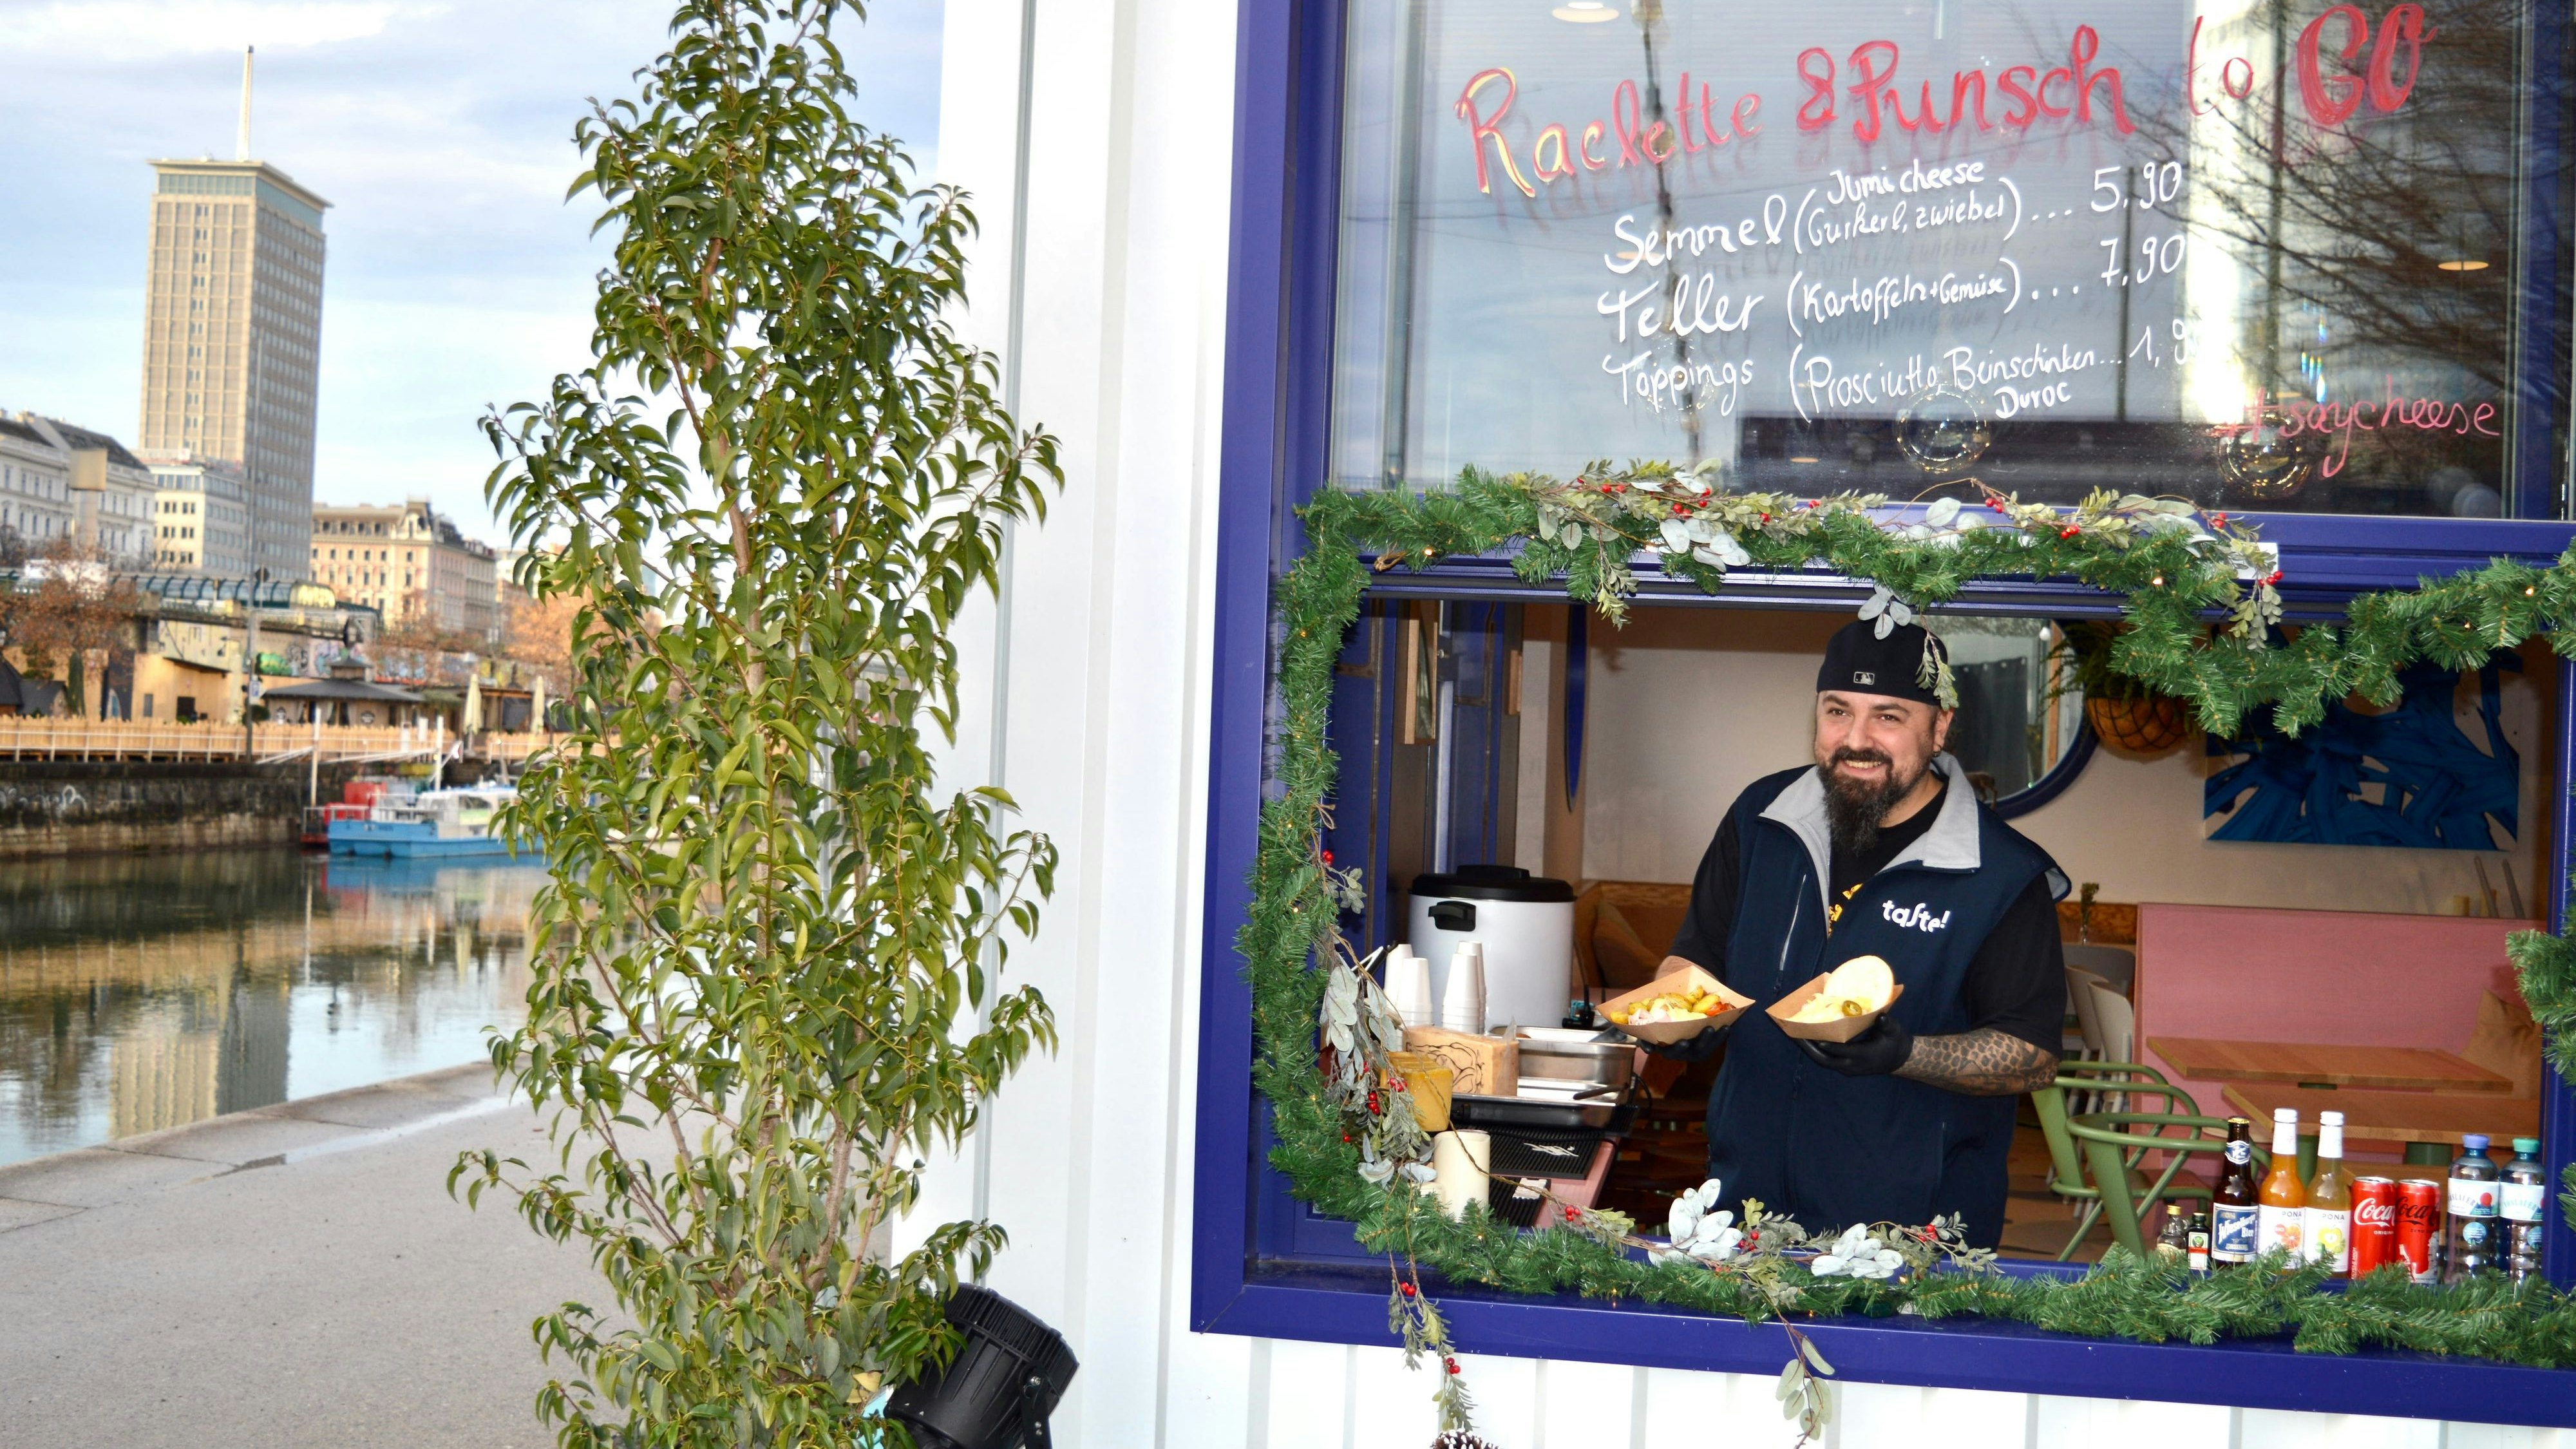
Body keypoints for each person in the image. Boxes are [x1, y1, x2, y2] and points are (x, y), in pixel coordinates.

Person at [1649, 618, 2067, 1249]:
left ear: (1940, 726)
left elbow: (2032, 1058)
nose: (1857, 739)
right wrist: (1679, 1018)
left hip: (1915, 1232)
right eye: (1837, 711)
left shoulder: (2001, 873)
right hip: (1741, 1209)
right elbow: (1696, 956)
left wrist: (1904, 1054)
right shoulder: (1760, 819)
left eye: (1888, 717)